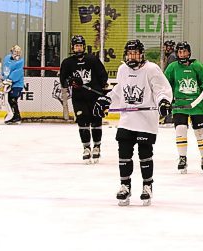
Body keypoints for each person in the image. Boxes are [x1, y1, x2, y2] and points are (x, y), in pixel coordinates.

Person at [93, 39, 173, 206]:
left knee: (145, 155)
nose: (132, 56)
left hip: (146, 122)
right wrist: (106, 100)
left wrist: (163, 102)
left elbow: (161, 90)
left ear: (142, 54)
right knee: (124, 154)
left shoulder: (151, 69)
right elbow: (119, 91)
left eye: (135, 53)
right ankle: (125, 185)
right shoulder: (123, 69)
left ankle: (147, 186)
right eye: (130, 53)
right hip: (127, 120)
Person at [164, 41, 203, 174]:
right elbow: (165, 84)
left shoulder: (197, 66)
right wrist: (166, 99)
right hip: (180, 105)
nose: (182, 54)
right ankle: (182, 158)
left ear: (189, 52)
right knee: (180, 130)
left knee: (200, 132)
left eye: (184, 51)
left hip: (197, 104)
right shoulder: (172, 67)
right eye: (180, 52)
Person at [60, 35, 108, 164]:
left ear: (84, 46)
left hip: (95, 97)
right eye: (76, 46)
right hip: (79, 98)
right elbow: (63, 81)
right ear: (72, 47)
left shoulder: (92, 59)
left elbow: (103, 75)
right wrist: (70, 81)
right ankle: (86, 147)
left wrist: (103, 89)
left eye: (80, 45)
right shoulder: (67, 62)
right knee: (83, 122)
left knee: (96, 121)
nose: (78, 48)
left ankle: (97, 146)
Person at [1, 45, 25, 124]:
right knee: (9, 100)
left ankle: (16, 116)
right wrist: (3, 77)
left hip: (17, 85)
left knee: (12, 99)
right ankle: (13, 115)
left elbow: (17, 73)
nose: (16, 55)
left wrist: (10, 79)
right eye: (15, 52)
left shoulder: (20, 62)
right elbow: (5, 69)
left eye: (18, 53)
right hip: (8, 83)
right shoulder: (7, 59)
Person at [161, 40, 177, 126]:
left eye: (167, 47)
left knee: (170, 99)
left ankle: (170, 118)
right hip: (172, 82)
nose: (166, 49)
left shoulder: (172, 56)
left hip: (171, 83)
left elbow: (171, 71)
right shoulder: (172, 55)